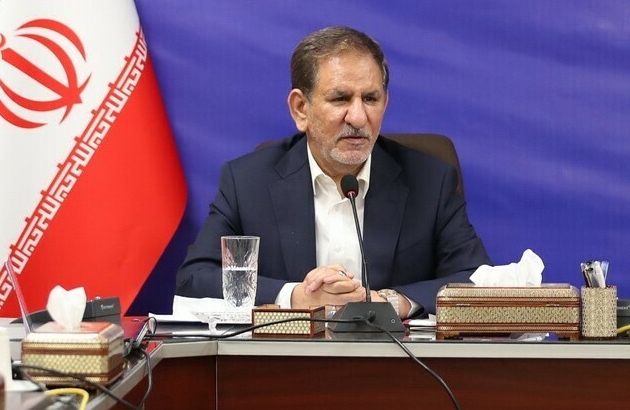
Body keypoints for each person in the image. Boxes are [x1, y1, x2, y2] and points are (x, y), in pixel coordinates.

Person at [176, 26, 490, 316]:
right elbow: (194, 280)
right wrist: (294, 297)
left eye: (371, 99)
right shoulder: (248, 183)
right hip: (285, 357)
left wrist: (396, 302)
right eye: (340, 99)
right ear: (301, 109)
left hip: (395, 356)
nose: (358, 117)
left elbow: (478, 281)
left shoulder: (429, 181)